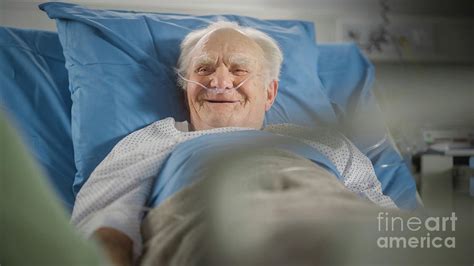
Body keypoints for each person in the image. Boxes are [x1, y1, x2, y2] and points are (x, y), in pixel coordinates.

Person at [71, 21, 397, 265]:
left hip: (334, 222)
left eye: (239, 69)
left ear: (269, 93)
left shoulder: (325, 142)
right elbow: (105, 221)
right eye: (204, 69)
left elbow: (382, 216)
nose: (219, 81)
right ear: (186, 88)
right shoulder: (159, 138)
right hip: (206, 223)